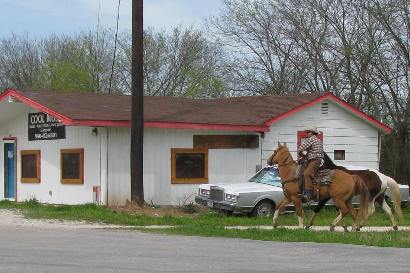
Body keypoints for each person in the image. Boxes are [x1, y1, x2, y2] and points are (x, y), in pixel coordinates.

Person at [297, 126, 324, 201]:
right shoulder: (318, 140)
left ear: (312, 133)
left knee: (306, 173)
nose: (307, 134)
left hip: (314, 160)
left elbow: (300, 148)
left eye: (308, 132)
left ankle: (308, 194)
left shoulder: (311, 139)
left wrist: (302, 155)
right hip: (318, 160)